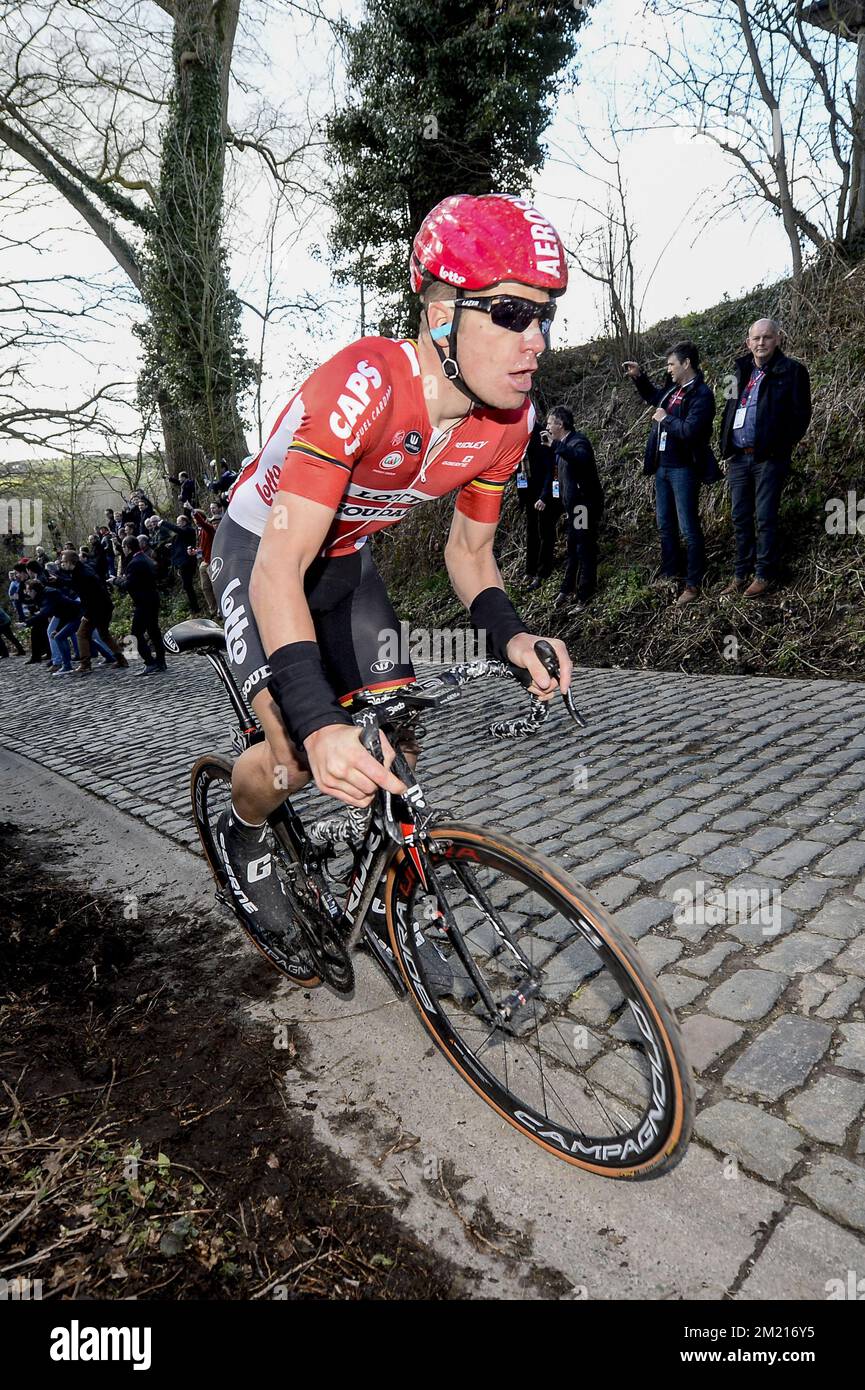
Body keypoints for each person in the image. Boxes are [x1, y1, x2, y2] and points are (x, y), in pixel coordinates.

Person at [208, 192, 573, 986]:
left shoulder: (506, 424)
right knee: (299, 761)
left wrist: (514, 638)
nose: (535, 342)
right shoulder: (365, 382)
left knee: (395, 737)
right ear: (441, 311)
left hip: (346, 566)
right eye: (511, 314)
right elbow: (277, 570)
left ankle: (393, 901)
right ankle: (243, 827)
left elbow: (470, 554)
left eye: (546, 317)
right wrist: (314, 724)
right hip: (259, 555)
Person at [718, 318, 811, 597]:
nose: (761, 343)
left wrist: (779, 445)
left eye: (767, 337)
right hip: (738, 458)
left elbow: (801, 416)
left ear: (778, 339)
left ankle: (764, 574)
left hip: (768, 457)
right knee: (740, 517)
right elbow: (728, 410)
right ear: (748, 343)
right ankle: (740, 573)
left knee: (765, 516)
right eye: (756, 338)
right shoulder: (737, 372)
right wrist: (725, 443)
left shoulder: (792, 371)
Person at [624, 342, 716, 605]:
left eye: (671, 364)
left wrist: (665, 419)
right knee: (665, 525)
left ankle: (693, 582)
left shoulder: (702, 394)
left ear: (686, 364)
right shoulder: (673, 390)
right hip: (663, 468)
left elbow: (690, 431)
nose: (669, 369)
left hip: (684, 469)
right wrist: (639, 377)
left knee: (688, 527)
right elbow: (654, 398)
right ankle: (670, 573)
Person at [544, 406, 604, 610]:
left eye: (550, 423)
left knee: (583, 547)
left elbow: (581, 459)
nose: (547, 427)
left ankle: (584, 595)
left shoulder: (579, 442)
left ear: (560, 424)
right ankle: (567, 588)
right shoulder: (562, 445)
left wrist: (556, 446)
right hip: (572, 507)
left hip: (583, 506)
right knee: (572, 547)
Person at [59, 549, 129, 675]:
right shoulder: (81, 570)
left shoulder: (82, 574)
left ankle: (85, 664)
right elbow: (77, 585)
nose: (62, 564)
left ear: (70, 562)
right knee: (104, 634)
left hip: (97, 608)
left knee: (82, 634)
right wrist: (60, 581)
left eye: (63, 562)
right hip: (103, 606)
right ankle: (121, 659)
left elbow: (90, 597)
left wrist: (87, 615)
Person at [114, 536, 166, 674]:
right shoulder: (146, 558)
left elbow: (129, 585)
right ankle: (161, 662)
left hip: (143, 602)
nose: (123, 550)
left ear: (128, 547)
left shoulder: (135, 563)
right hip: (153, 598)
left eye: (124, 547)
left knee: (135, 634)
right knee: (154, 632)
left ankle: (149, 662)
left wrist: (116, 581)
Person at [518, 419, 559, 589]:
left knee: (545, 532)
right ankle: (530, 569)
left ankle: (543, 572)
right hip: (528, 492)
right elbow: (516, 467)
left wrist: (544, 496)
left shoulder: (541, 435)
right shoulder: (517, 436)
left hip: (544, 492)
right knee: (532, 531)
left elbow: (551, 469)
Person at [191, 507, 219, 618]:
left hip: (213, 560)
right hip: (205, 561)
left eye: (196, 518)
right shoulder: (200, 531)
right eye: (193, 519)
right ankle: (213, 609)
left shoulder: (208, 528)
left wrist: (192, 509)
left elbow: (203, 523)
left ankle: (220, 610)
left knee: (215, 586)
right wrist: (194, 552)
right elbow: (202, 547)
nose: (195, 520)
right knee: (205, 587)